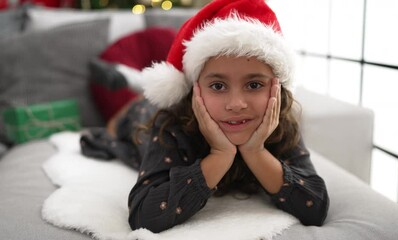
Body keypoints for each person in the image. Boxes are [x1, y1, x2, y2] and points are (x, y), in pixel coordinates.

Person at [80, 0, 329, 233]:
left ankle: (133, 78)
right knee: (131, 116)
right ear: (194, 90)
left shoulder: (280, 123)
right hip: (140, 113)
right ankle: (130, 80)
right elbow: (144, 216)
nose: (236, 104)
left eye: (254, 85)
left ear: (277, 88)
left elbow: (315, 207)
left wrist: (256, 152)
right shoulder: (171, 126)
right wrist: (220, 156)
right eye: (218, 86)